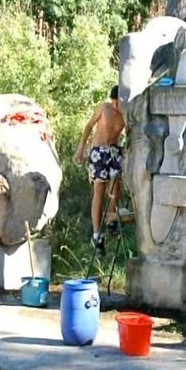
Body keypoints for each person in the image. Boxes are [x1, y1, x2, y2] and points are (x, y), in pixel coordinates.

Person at [73, 85, 125, 252]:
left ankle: (111, 219)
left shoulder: (126, 114)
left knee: (116, 186)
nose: (116, 106)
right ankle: (96, 235)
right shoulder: (104, 108)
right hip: (99, 152)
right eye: (114, 102)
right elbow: (89, 126)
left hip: (114, 150)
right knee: (99, 190)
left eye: (119, 102)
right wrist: (81, 149)